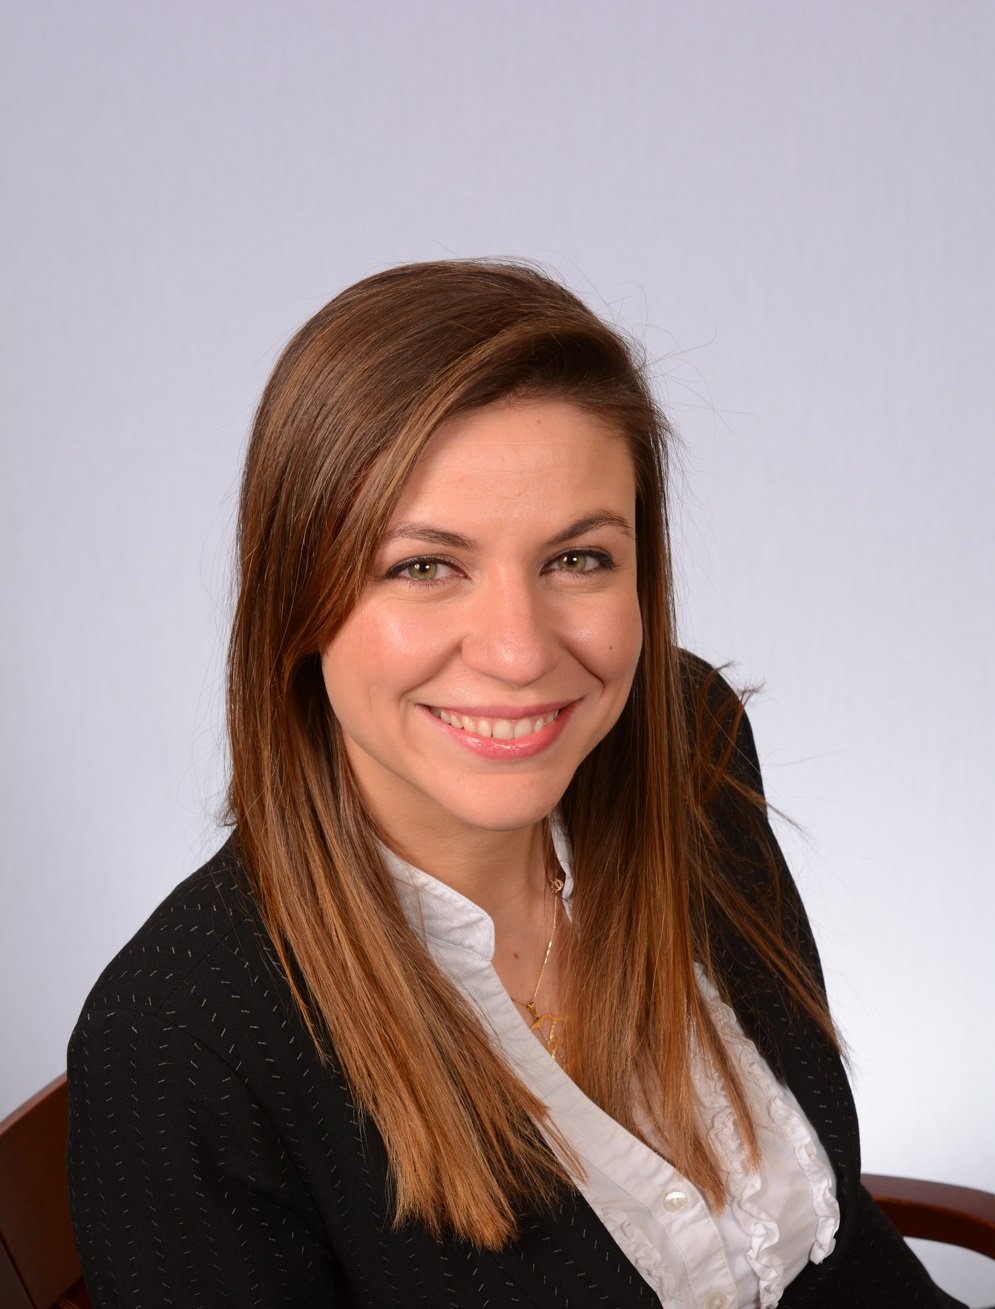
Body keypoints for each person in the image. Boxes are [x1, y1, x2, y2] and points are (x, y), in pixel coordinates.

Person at [67, 260, 963, 1308]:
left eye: (576, 559)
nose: (517, 651)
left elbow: (833, 1243)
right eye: (422, 566)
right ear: (296, 601)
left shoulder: (689, 743)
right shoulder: (177, 1044)